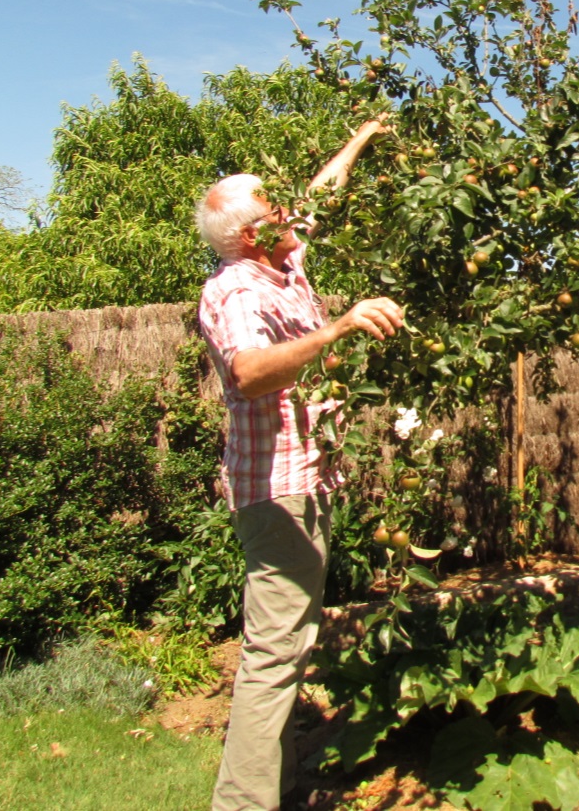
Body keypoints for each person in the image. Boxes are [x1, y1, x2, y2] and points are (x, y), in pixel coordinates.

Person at [195, 119, 404, 811]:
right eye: (275, 207)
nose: (290, 210)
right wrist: (336, 328)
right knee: (274, 652)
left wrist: (358, 139)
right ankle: (245, 803)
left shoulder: (280, 264)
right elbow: (250, 371)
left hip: (302, 481)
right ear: (253, 233)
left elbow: (318, 197)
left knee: (289, 642)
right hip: (276, 490)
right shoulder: (239, 292)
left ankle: (276, 786)